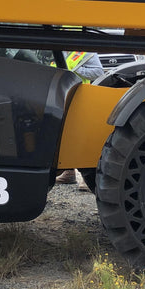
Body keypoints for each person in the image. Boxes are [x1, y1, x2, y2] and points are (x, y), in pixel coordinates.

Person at [55, 51, 104, 187]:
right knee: (65, 135)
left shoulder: (85, 52)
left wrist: (76, 70)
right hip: (61, 95)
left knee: (81, 136)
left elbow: (98, 72)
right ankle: (69, 173)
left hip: (80, 97)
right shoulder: (61, 49)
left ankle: (86, 177)